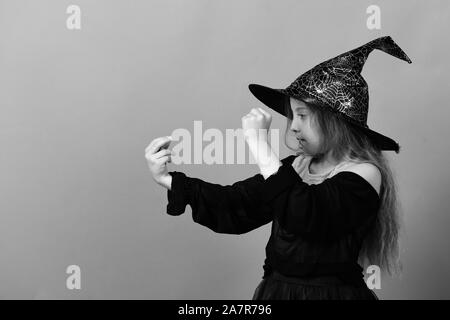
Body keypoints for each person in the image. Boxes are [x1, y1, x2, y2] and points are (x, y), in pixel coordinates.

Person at [145, 36, 412, 300]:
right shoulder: (295, 167)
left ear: (335, 122)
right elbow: (238, 204)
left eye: (303, 116)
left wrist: (259, 145)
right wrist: (168, 179)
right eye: (292, 115)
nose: (293, 125)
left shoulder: (364, 173)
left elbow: (308, 215)